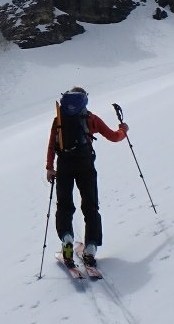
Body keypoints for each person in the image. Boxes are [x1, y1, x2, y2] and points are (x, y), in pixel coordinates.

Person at [45, 86, 128, 268]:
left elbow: (52, 145)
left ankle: (67, 241)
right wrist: (124, 130)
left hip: (64, 165)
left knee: (64, 206)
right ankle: (90, 249)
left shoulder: (59, 120)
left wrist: (50, 167)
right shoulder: (90, 118)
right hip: (86, 165)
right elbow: (114, 137)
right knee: (91, 206)